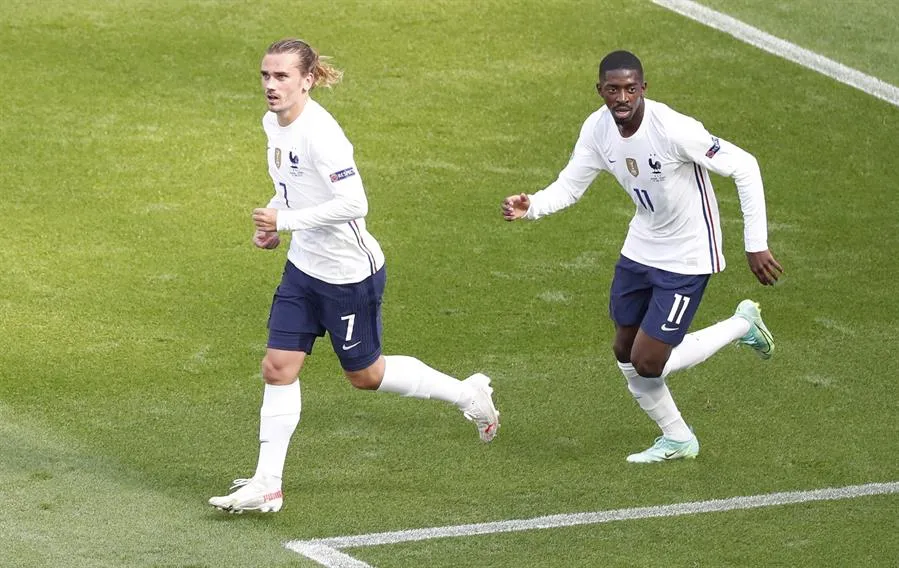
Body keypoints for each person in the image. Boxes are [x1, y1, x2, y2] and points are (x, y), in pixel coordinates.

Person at [209, 39, 499, 513]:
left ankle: (468, 393)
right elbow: (293, 186)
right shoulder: (272, 124)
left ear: (307, 80)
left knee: (366, 375)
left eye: (281, 76)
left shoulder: (322, 134)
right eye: (265, 75)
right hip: (303, 269)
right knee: (277, 367)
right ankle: (268, 484)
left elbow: (354, 204)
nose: (270, 85)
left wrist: (284, 222)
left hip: (348, 276)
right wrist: (277, 220)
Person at [501, 50, 782, 463]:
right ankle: (679, 438)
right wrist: (534, 205)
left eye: (631, 88)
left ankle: (742, 324)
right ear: (600, 91)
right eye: (613, 89)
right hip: (641, 245)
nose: (622, 97)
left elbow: (745, 166)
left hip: (688, 255)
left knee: (648, 361)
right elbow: (571, 185)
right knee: (624, 350)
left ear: (644, 89)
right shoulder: (597, 130)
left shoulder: (673, 129)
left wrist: (755, 243)